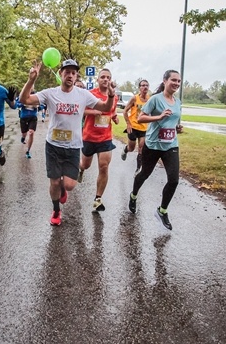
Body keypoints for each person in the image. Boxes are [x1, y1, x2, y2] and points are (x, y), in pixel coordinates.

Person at [19, 59, 116, 226]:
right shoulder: (50, 93)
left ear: (76, 75)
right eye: (67, 72)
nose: (70, 75)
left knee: (69, 185)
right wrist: (31, 80)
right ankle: (56, 210)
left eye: (73, 72)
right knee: (54, 181)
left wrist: (112, 96)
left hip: (73, 146)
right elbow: (25, 100)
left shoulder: (83, 95)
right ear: (61, 74)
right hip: (53, 146)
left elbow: (105, 108)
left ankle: (63, 189)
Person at [128, 70, 184, 231]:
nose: (176, 83)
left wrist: (176, 128)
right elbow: (141, 118)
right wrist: (158, 117)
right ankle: (133, 195)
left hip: (171, 145)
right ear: (165, 81)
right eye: (173, 80)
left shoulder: (177, 101)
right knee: (144, 174)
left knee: (173, 180)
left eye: (179, 81)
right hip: (152, 145)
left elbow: (172, 120)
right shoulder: (155, 99)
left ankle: (162, 211)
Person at [78, 68, 119, 212]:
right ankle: (81, 169)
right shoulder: (90, 94)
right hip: (89, 137)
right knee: (86, 164)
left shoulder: (113, 95)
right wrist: (93, 111)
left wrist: (114, 117)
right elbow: (80, 110)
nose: (105, 79)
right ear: (98, 79)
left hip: (105, 137)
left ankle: (98, 199)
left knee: (104, 166)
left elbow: (111, 110)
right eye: (103, 77)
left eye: (108, 77)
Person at [121, 79, 151, 173]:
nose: (145, 87)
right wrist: (128, 124)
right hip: (133, 127)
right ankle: (125, 150)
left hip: (144, 128)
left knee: (141, 149)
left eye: (146, 85)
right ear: (139, 88)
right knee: (132, 148)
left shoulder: (150, 99)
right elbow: (125, 111)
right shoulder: (134, 98)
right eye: (143, 85)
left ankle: (138, 169)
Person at [15, 91, 39, 159]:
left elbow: (41, 105)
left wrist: (37, 106)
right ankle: (23, 138)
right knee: (24, 133)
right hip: (24, 117)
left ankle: (28, 151)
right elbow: (17, 104)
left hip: (33, 117)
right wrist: (24, 103)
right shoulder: (22, 95)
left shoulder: (36, 96)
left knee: (31, 133)